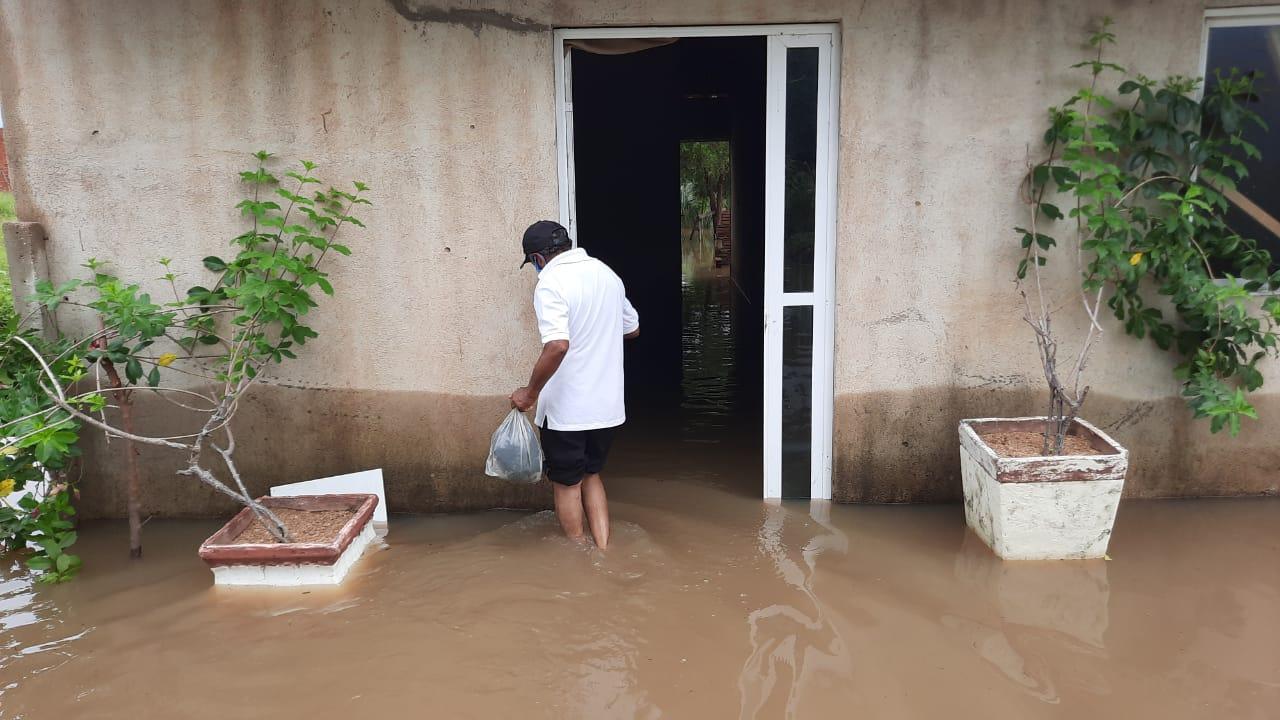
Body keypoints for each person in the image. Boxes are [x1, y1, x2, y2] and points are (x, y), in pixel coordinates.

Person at [510, 220, 639, 550]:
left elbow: (557, 345)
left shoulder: (551, 282)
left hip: (568, 411)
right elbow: (633, 328)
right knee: (592, 476)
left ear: (538, 259)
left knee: (567, 484)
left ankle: (579, 556)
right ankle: (604, 549)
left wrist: (530, 393)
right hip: (607, 408)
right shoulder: (607, 275)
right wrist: (599, 329)